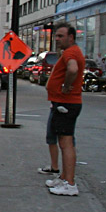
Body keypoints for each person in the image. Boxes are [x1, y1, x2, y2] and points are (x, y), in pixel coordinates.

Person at [40, 23, 85, 197]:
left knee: (66, 143)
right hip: (64, 102)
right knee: (64, 141)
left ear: (71, 37)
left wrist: (67, 85)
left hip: (66, 103)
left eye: (60, 36)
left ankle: (70, 184)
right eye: (56, 36)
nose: (57, 39)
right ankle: (65, 177)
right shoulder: (71, 52)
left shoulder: (71, 53)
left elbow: (72, 69)